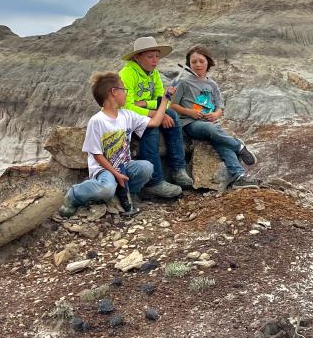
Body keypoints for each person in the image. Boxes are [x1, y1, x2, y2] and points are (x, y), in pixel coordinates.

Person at [59, 72, 176, 218]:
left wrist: (165, 100)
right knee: (106, 188)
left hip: (124, 166)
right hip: (104, 169)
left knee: (146, 168)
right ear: (114, 92)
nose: (126, 94)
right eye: (124, 90)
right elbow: (96, 154)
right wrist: (116, 174)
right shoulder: (97, 121)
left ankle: (126, 195)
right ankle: (74, 195)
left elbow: (154, 122)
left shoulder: (127, 115)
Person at [170, 45, 259, 189]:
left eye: (201, 61)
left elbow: (220, 107)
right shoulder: (184, 82)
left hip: (209, 123)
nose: (198, 65)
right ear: (189, 64)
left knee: (222, 144)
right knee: (210, 129)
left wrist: (216, 114)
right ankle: (239, 146)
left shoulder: (212, 84)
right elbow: (172, 105)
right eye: (194, 62)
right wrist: (190, 112)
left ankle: (239, 176)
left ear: (208, 62)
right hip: (191, 124)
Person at [119, 37, 193, 199]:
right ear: (137, 57)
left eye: (157, 56)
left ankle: (178, 169)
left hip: (143, 110)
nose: (155, 61)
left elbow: (163, 101)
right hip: (127, 117)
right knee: (151, 126)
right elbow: (126, 106)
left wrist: (148, 104)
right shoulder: (126, 74)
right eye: (150, 56)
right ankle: (154, 182)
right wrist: (156, 113)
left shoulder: (154, 74)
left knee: (172, 115)